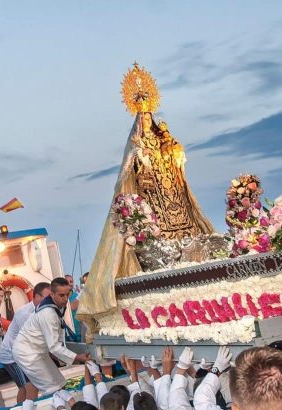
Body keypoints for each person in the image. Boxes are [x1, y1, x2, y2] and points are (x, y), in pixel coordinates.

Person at [77, 64, 214, 317]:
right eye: (142, 116)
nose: (147, 119)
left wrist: (174, 154)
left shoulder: (165, 138)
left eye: (149, 115)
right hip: (151, 193)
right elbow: (128, 168)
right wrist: (141, 155)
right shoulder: (136, 142)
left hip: (171, 189)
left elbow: (176, 157)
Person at [13, 277, 90, 395]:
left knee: (60, 383)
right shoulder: (48, 313)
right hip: (27, 353)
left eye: (67, 294)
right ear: (52, 294)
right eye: (61, 295)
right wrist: (77, 358)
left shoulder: (56, 305)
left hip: (39, 350)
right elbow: (54, 347)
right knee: (52, 388)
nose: (65, 299)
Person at [0, 282, 51, 403]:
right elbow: (32, 340)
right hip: (11, 356)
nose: (50, 300)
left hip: (23, 353)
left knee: (25, 387)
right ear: (36, 296)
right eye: (47, 297)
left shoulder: (44, 310)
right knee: (31, 386)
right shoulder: (25, 314)